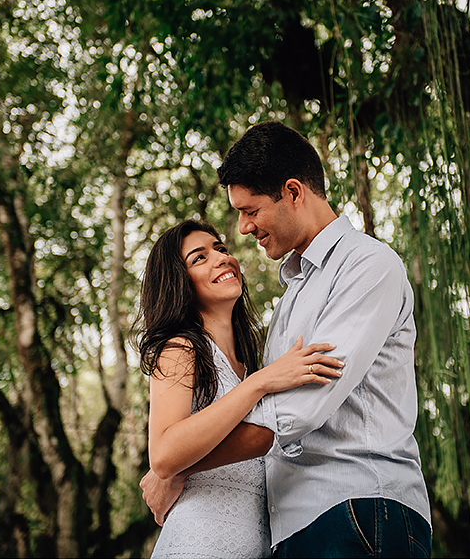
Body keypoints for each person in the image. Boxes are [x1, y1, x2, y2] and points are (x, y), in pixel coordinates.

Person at [142, 121, 432, 558]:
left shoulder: (366, 266)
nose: (242, 230)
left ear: (294, 192)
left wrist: (176, 469)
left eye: (250, 210)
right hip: (292, 529)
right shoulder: (292, 298)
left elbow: (295, 411)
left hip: (356, 508)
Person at [138, 219, 344, 558]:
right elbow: (163, 454)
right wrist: (261, 383)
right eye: (199, 258)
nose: (222, 258)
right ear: (179, 282)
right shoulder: (180, 349)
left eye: (220, 248)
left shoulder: (253, 364)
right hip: (198, 544)